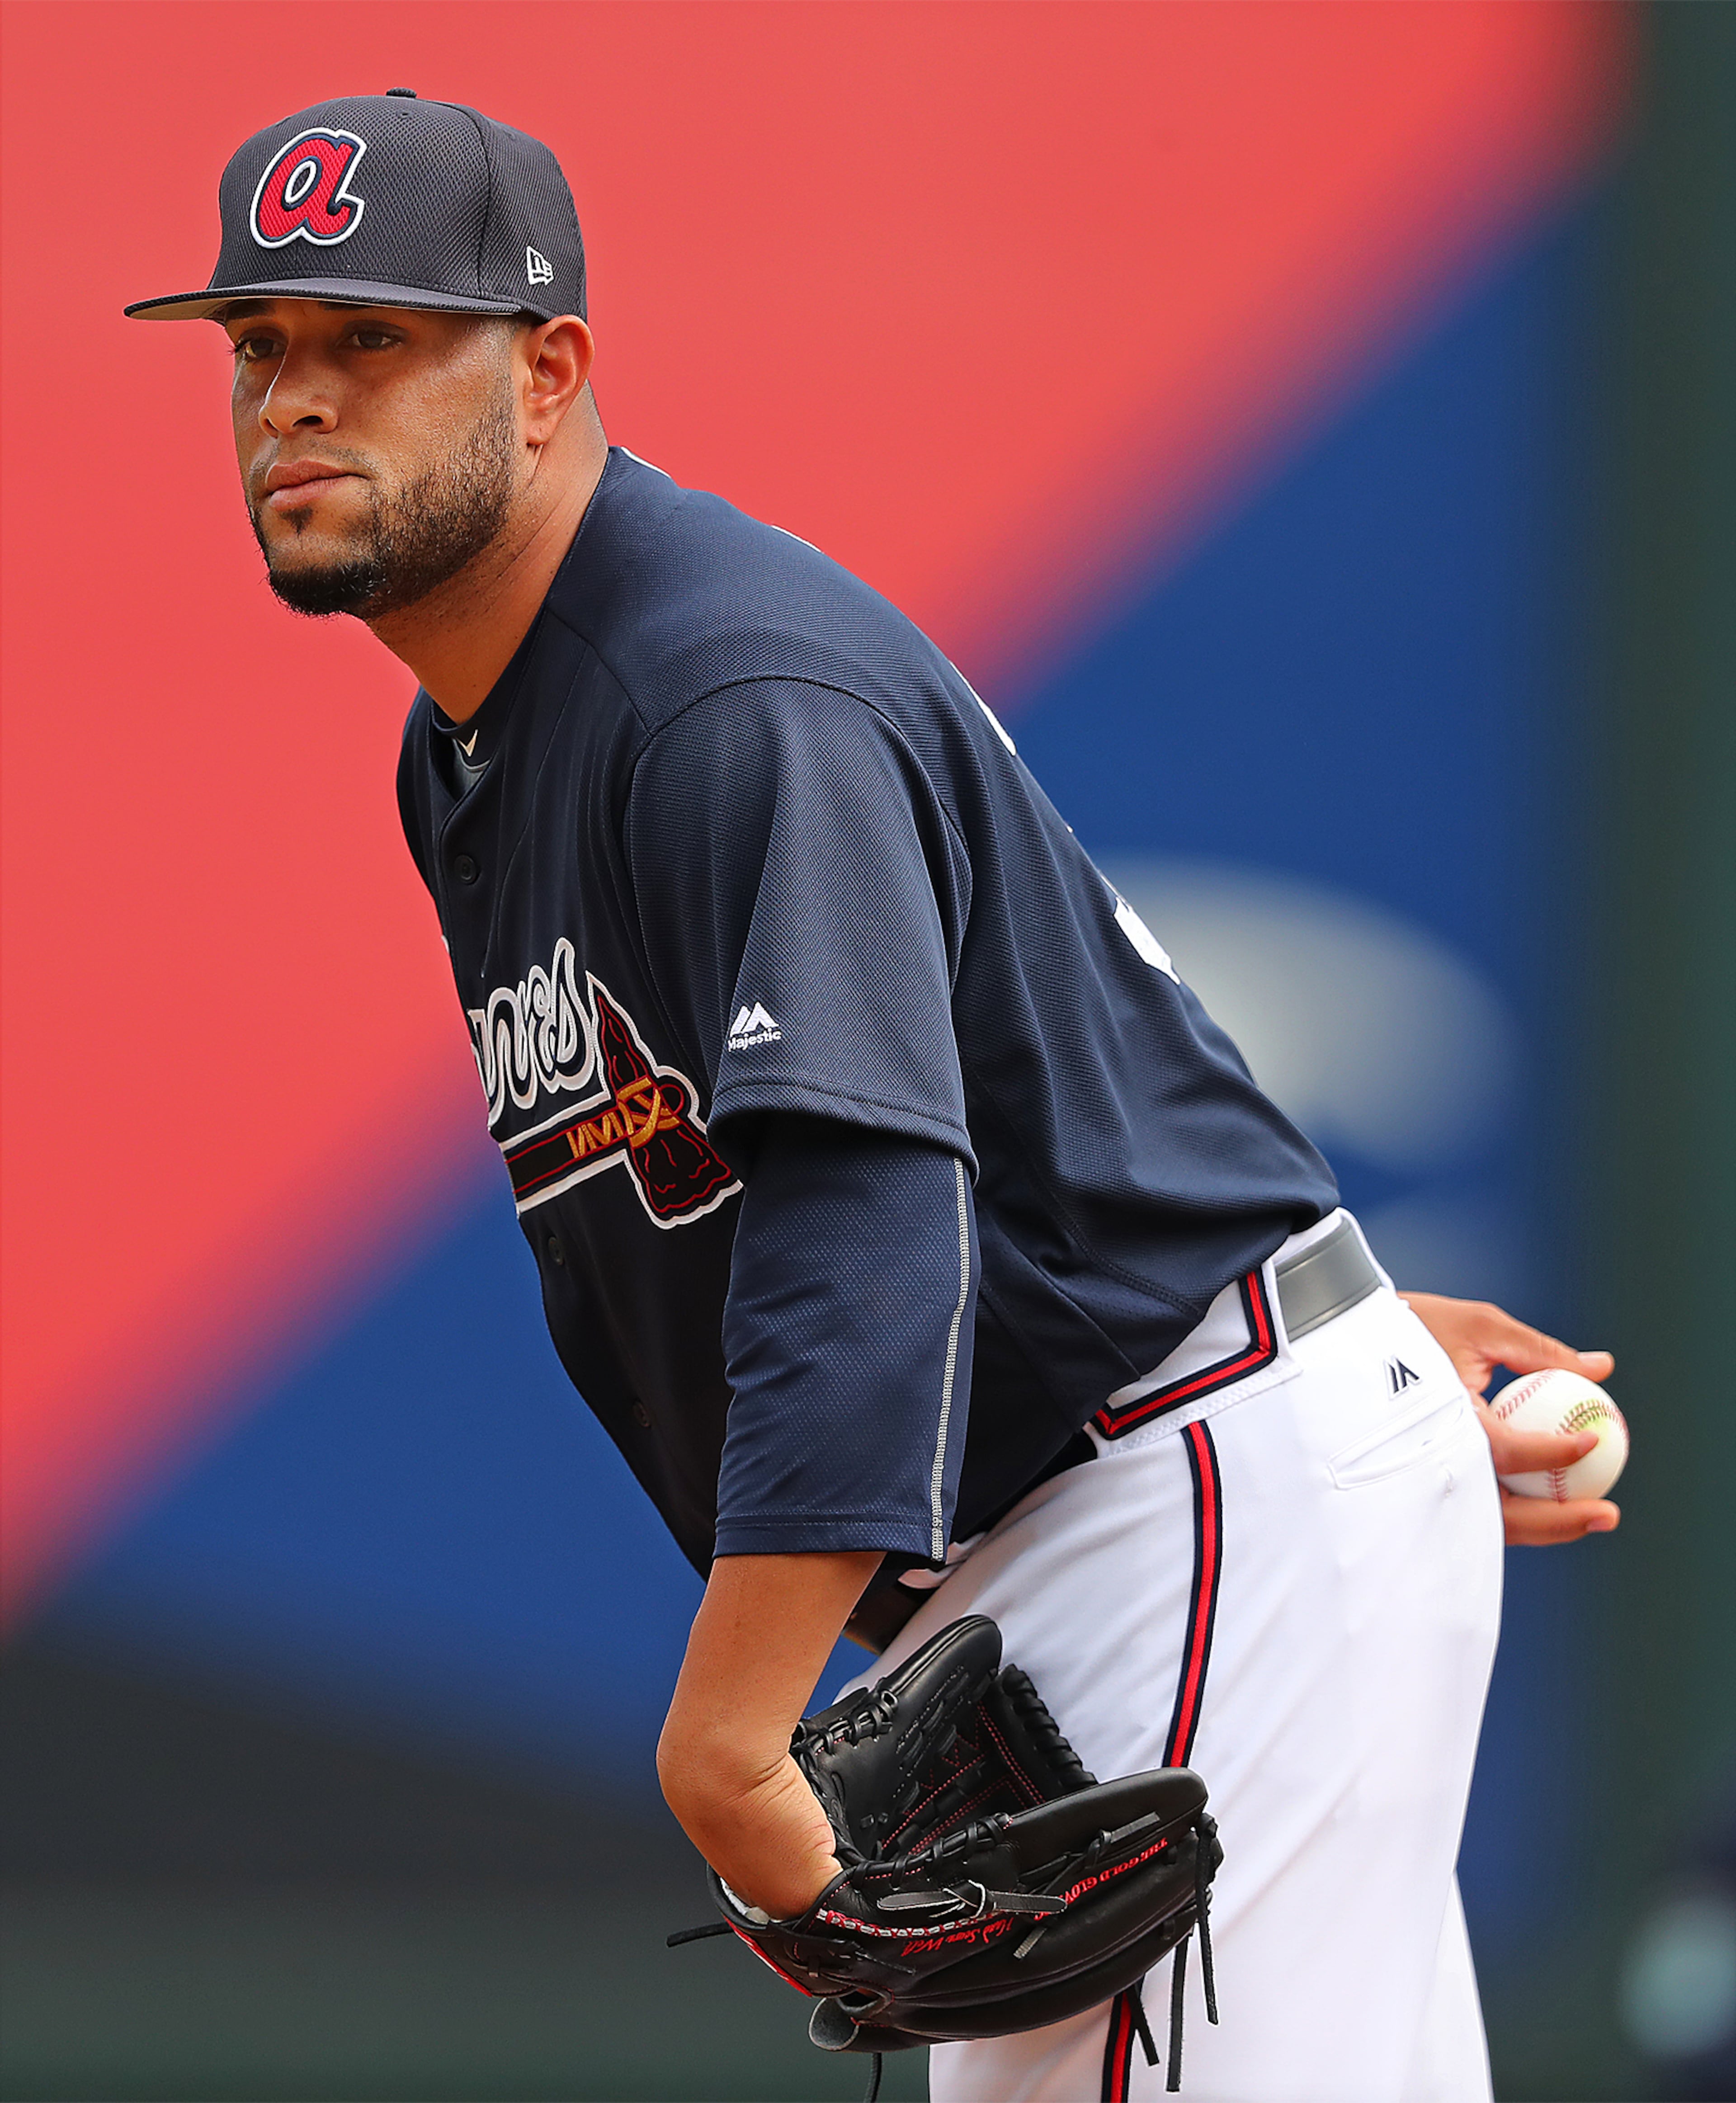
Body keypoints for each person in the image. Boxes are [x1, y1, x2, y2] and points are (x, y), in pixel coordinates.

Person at [129, 92, 1619, 2103]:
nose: (297, 402)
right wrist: (1257, 1304)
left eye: (376, 341)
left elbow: (858, 1210)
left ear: (550, 372)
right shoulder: (486, 734)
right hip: (1175, 1455)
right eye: (262, 348)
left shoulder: (720, 689)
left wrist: (728, 1732)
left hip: (1173, 1502)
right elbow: (986, 1060)